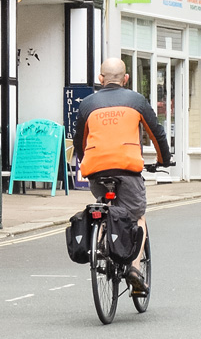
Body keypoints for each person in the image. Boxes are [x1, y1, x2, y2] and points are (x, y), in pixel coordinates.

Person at [72, 57, 172, 294]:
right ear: (126, 79)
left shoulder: (87, 104)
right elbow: (157, 134)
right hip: (127, 169)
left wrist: (84, 160)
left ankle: (99, 247)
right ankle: (135, 270)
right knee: (137, 216)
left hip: (96, 169)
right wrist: (163, 160)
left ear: (100, 78)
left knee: (104, 205)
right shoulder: (136, 101)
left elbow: (79, 141)